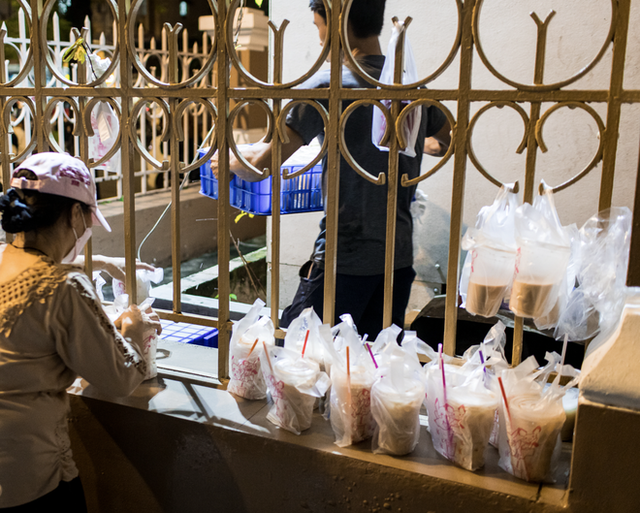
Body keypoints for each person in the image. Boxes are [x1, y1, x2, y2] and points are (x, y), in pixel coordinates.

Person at [211, 0, 451, 338]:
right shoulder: (410, 88)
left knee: (299, 355)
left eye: (318, 25)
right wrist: (414, 142)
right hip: (397, 261)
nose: (320, 36)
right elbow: (448, 139)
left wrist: (230, 161)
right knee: (369, 369)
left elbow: (262, 165)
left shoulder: (331, 85)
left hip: (344, 261)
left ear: (337, 21)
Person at [0, 152, 161, 511]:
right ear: (74, 214)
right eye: (87, 216)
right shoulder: (65, 286)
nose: (87, 226)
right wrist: (134, 330)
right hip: (30, 476)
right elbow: (119, 377)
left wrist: (101, 262)